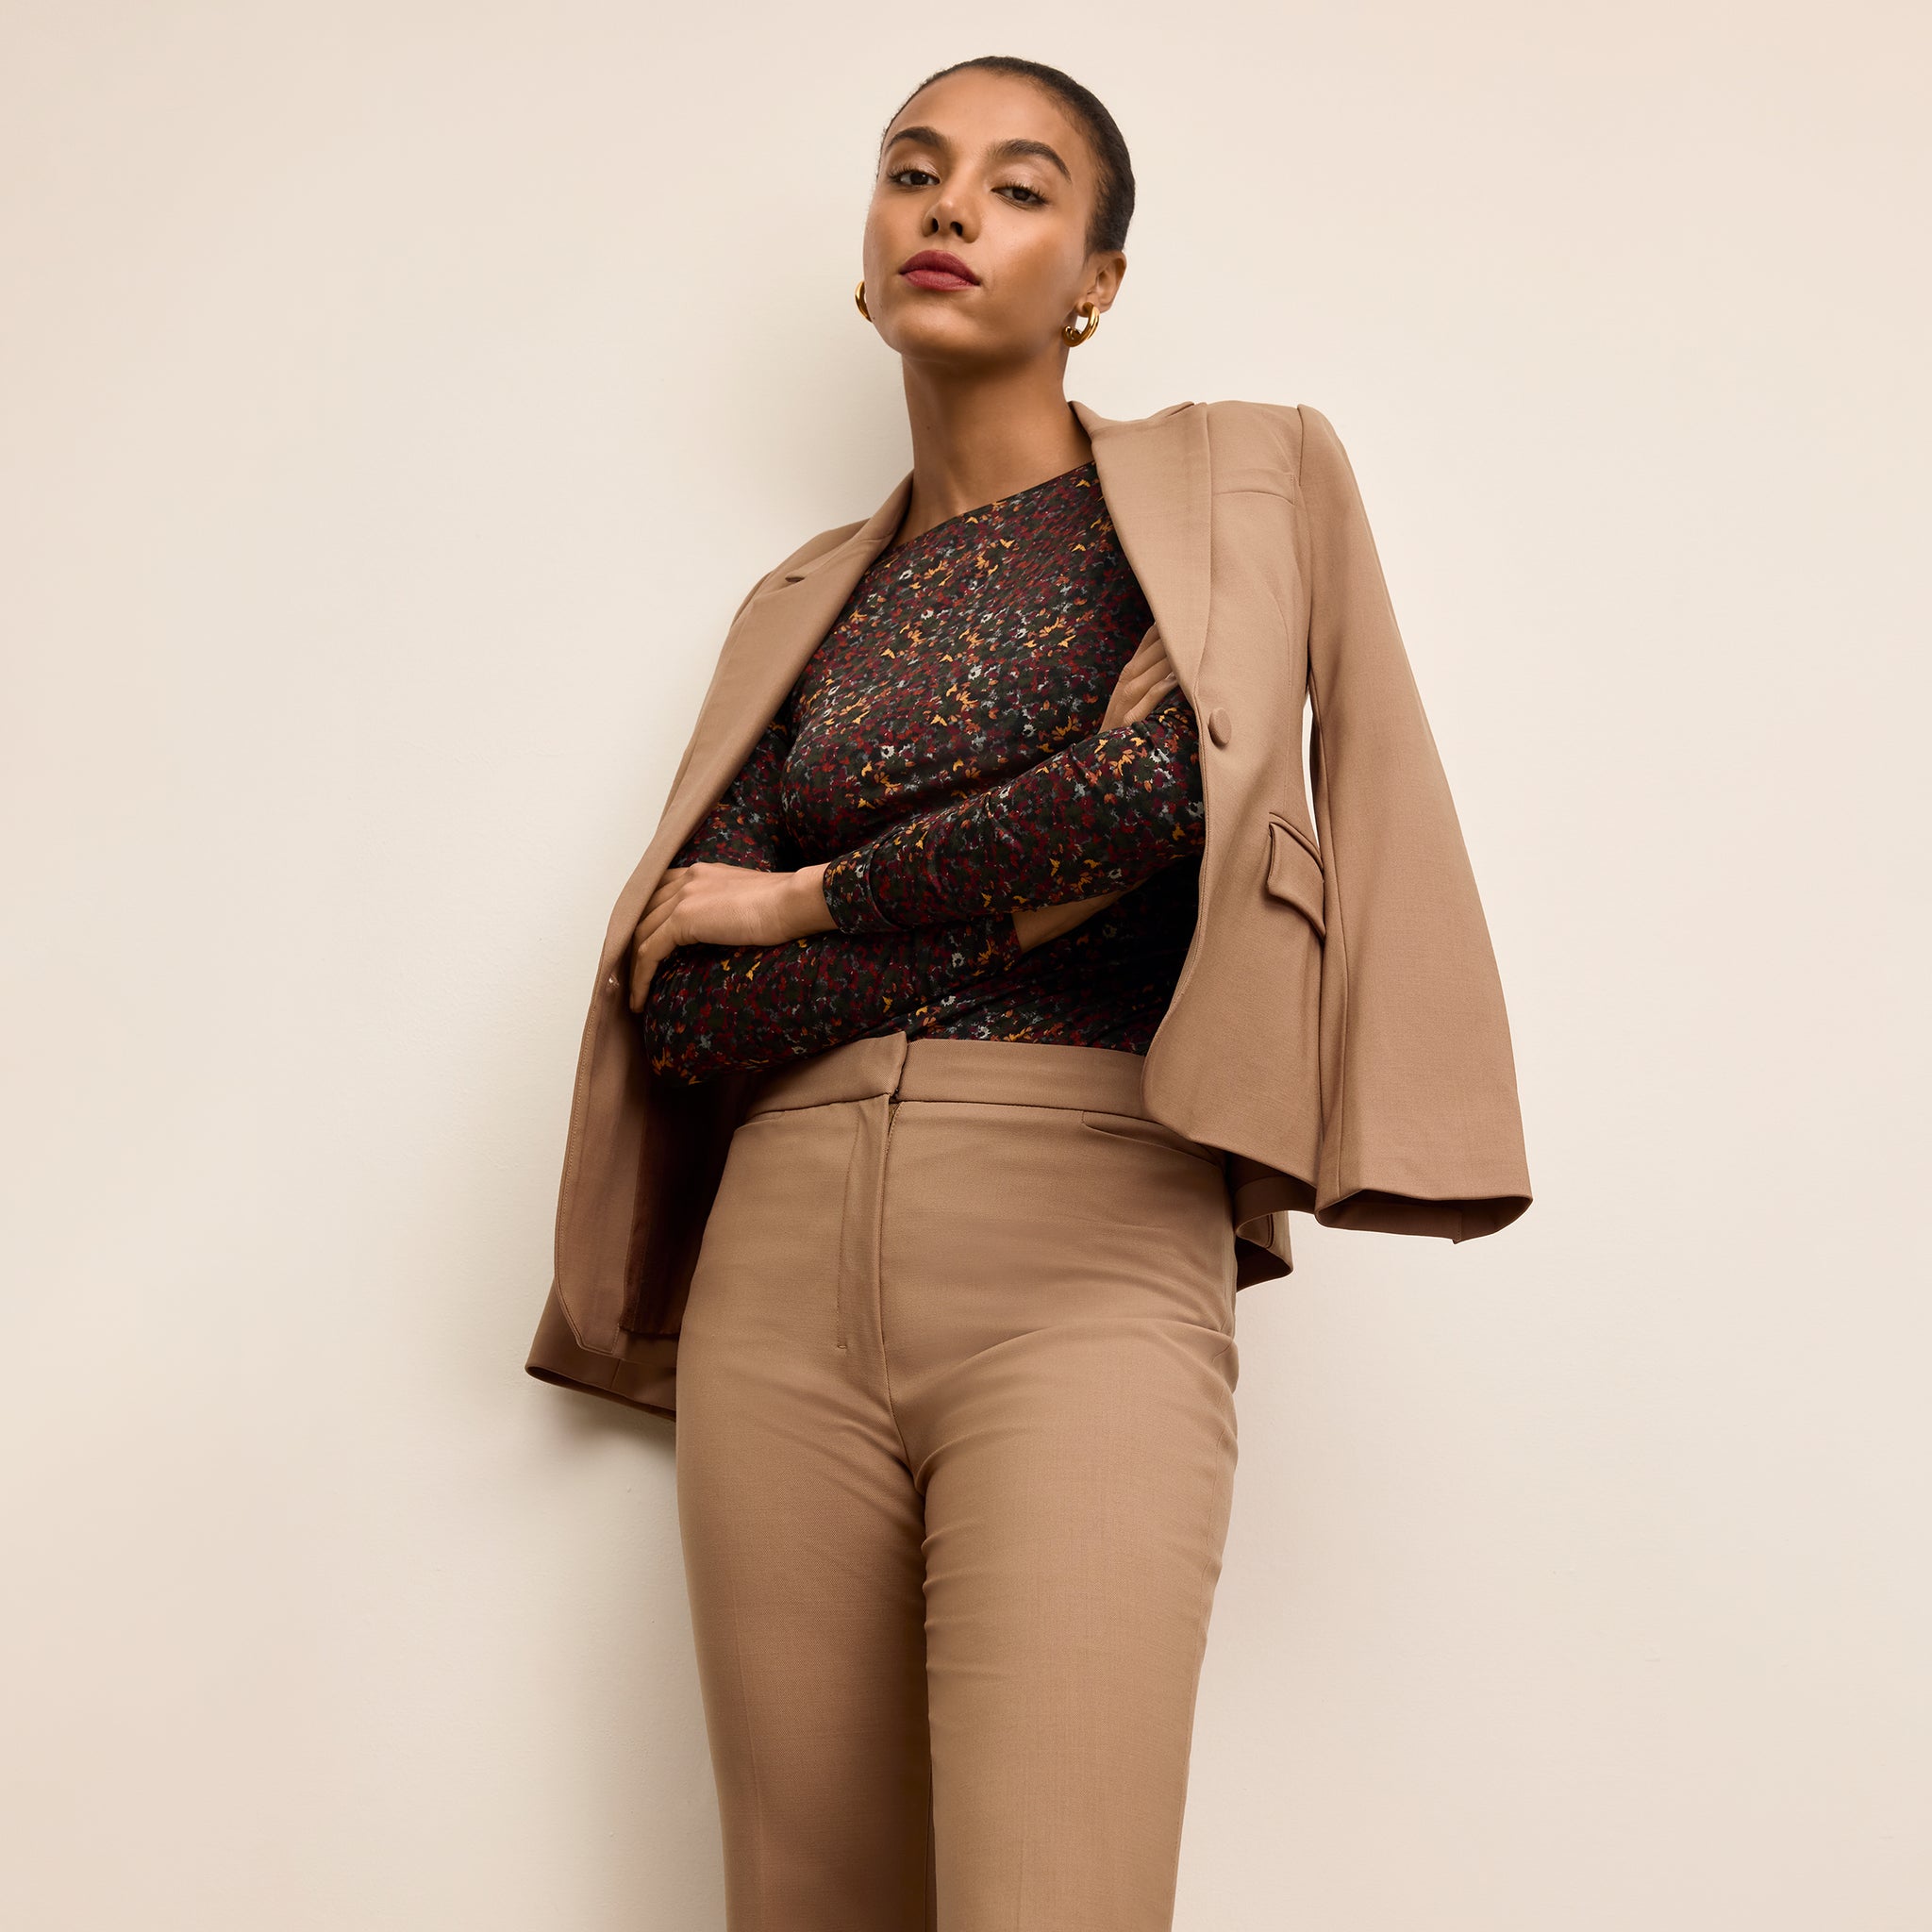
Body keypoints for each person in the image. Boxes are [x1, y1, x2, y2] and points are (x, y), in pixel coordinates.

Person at [525, 52, 1532, 1932]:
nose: (947, 209)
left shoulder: (1233, 482)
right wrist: (1006, 904)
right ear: (862, 256)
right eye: (912, 172)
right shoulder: (797, 606)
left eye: (1014, 184)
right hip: (777, 1271)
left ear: (1095, 278)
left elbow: (1159, 801)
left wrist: (808, 898)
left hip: (1084, 1245)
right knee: (800, 1900)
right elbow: (685, 1000)